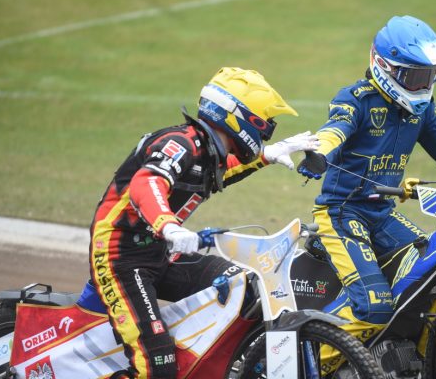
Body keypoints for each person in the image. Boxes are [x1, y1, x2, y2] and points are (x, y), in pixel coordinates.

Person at [297, 15, 436, 352]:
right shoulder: (355, 99)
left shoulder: (423, 109)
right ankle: (306, 357)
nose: (422, 86)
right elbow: (335, 130)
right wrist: (319, 154)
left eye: (429, 76)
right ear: (384, 67)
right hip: (341, 215)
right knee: (374, 308)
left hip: (382, 215)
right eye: (414, 77)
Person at [88, 67, 319, 379]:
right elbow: (148, 182)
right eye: (263, 126)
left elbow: (226, 170)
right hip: (120, 258)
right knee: (156, 366)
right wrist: (168, 226)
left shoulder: (209, 153)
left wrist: (268, 154)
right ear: (236, 117)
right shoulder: (179, 144)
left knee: (248, 291)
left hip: (163, 254)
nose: (265, 134)